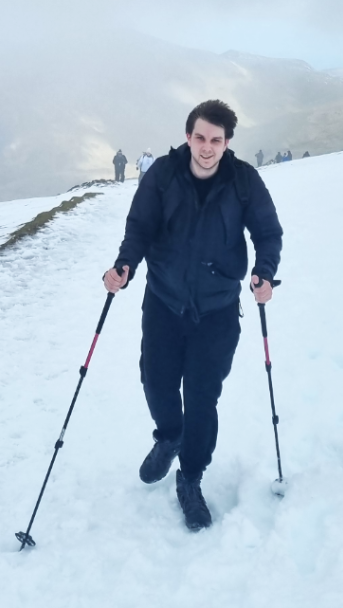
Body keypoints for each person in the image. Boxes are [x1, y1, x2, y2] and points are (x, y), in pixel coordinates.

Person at [103, 99, 282, 532]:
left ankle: (191, 476)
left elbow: (267, 232)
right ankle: (169, 436)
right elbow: (139, 228)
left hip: (218, 308)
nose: (206, 147)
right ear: (188, 136)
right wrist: (124, 266)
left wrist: (264, 274)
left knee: (202, 396)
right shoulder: (163, 175)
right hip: (164, 301)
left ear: (227, 143)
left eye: (215, 140)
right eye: (200, 137)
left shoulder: (244, 181)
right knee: (156, 381)